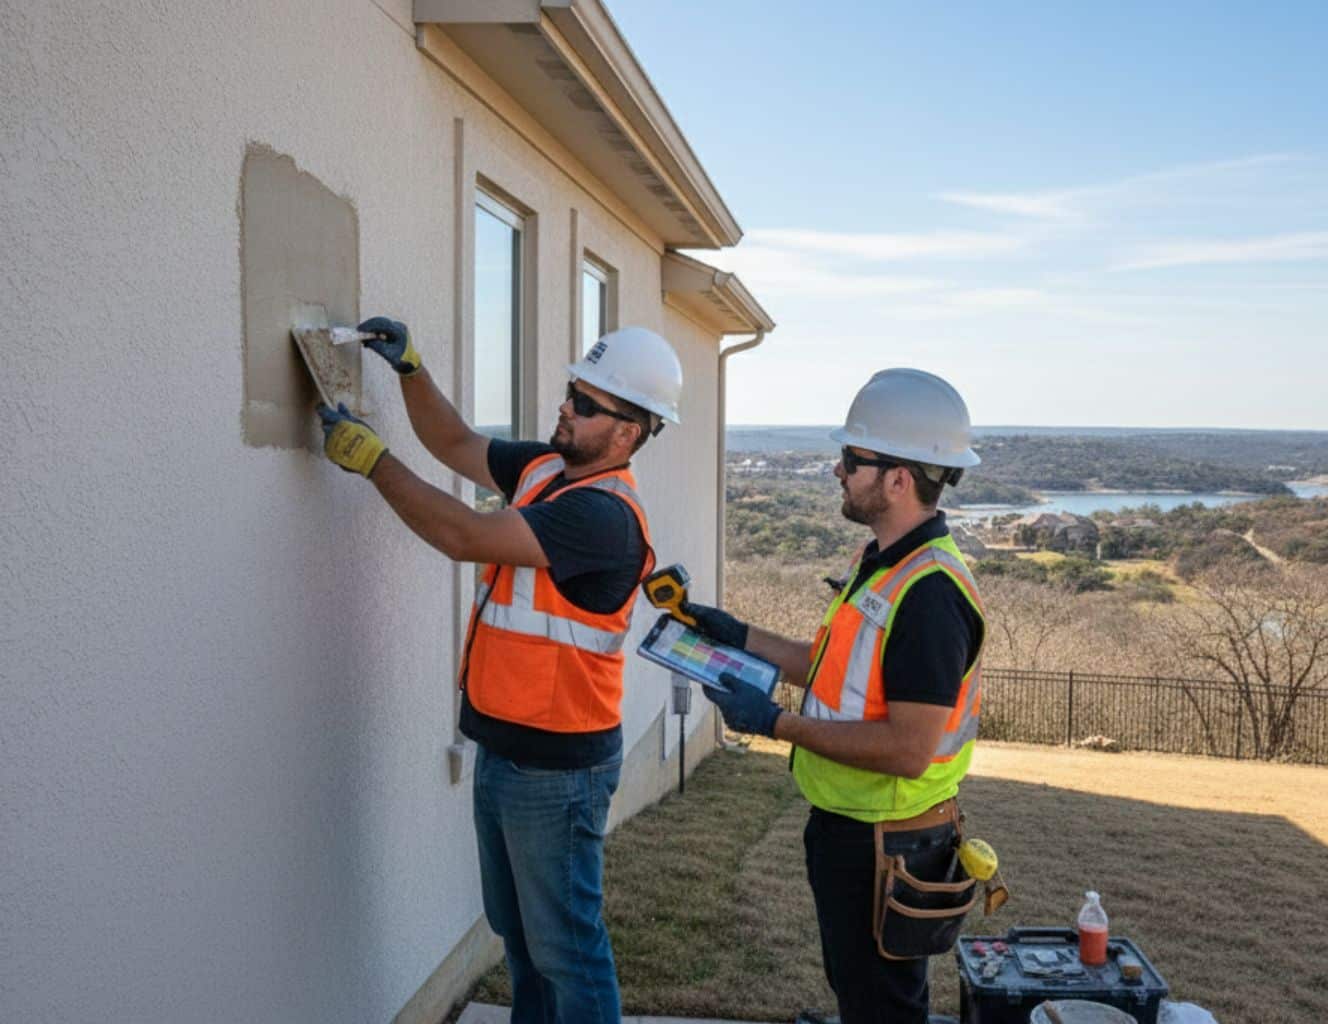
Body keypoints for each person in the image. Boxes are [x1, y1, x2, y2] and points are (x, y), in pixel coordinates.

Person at [314, 317, 684, 1024]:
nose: (565, 408)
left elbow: (464, 535)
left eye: (586, 403)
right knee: (521, 940)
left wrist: (373, 462)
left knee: (568, 951)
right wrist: (412, 371)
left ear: (629, 432)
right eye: (572, 391)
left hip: (558, 772)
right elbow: (454, 443)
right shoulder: (547, 468)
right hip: (508, 749)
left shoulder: (602, 517)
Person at [684, 368, 986, 1024]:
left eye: (852, 459)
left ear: (899, 479)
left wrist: (775, 723)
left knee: (883, 1007)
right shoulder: (881, 563)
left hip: (888, 839)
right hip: (856, 829)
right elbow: (828, 669)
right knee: (859, 991)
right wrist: (739, 634)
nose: (837, 470)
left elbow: (908, 750)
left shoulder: (930, 595)